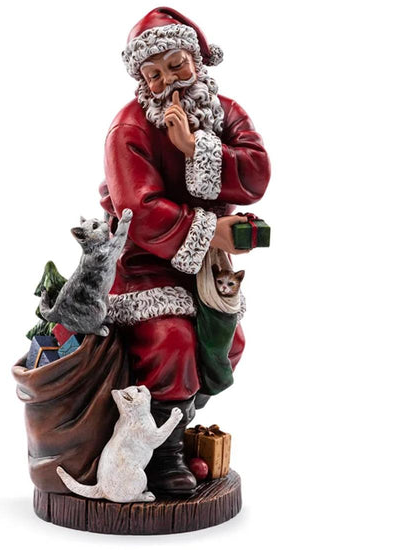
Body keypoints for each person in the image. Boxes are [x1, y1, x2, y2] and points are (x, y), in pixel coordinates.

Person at [99, 7, 271, 495]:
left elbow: (257, 173)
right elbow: (137, 209)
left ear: (197, 61)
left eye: (176, 66)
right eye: (154, 75)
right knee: (171, 340)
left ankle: (178, 418)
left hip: (206, 267)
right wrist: (211, 232)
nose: (168, 82)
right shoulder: (128, 127)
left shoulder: (226, 113)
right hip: (144, 264)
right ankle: (163, 456)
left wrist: (197, 147)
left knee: (227, 344)